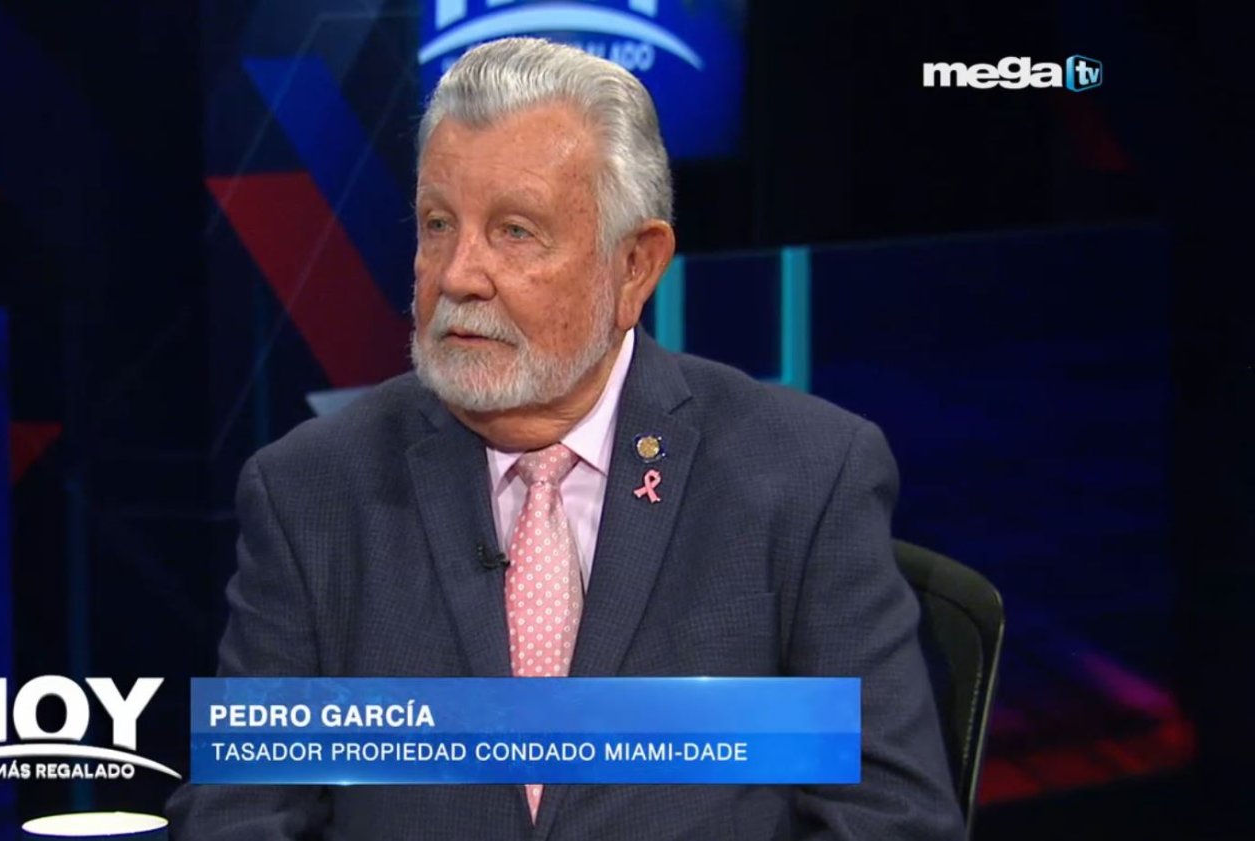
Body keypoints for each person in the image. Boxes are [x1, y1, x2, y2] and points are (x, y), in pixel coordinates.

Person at [168, 37, 964, 840]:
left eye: (515, 231)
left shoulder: (805, 476)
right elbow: (237, 814)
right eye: (438, 224)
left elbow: (892, 820)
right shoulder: (309, 491)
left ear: (635, 266)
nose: (457, 275)